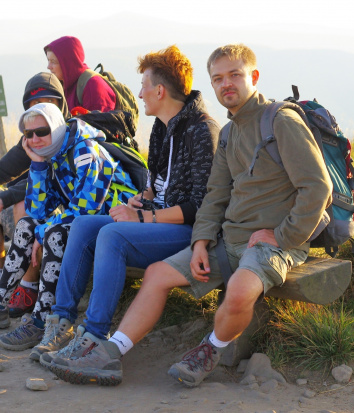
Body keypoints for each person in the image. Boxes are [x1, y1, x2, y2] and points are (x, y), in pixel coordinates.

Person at [49, 44, 333, 387]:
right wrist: (200, 243)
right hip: (228, 240)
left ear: (253, 77)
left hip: (274, 242)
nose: (226, 84)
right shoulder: (229, 133)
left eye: (234, 75)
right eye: (218, 78)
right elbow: (214, 197)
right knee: (156, 274)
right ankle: (109, 354)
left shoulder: (280, 121)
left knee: (241, 289)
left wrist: (282, 235)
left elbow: (317, 188)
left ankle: (209, 350)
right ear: (211, 84)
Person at [31, 44, 219, 378]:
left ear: (160, 90)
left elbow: (200, 207)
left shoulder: (201, 130)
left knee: (112, 234)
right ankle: (60, 323)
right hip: (158, 221)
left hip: (190, 233)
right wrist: (138, 199)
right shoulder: (163, 126)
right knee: (86, 225)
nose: (140, 93)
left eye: (144, 85)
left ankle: (94, 337)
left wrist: (145, 217)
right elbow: (157, 184)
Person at [0, 103, 139, 352]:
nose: (34, 138)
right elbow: (37, 211)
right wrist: (38, 165)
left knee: (52, 234)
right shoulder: (53, 156)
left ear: (56, 128)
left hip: (117, 224)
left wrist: (42, 233)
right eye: (28, 134)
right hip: (89, 224)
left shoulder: (85, 151)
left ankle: (41, 320)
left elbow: (86, 211)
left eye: (41, 131)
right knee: (26, 225)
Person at [0, 72, 69, 318]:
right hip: (45, 213)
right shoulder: (33, 135)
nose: (42, 109)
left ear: (61, 104)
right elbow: (2, 169)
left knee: (23, 206)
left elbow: (45, 184)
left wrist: (3, 200)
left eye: (49, 102)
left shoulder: (68, 138)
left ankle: (28, 287)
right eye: (34, 105)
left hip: (69, 217)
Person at [45, 36, 116, 113]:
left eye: (53, 62)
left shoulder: (93, 86)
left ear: (68, 63)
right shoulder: (64, 85)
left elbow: (102, 123)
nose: (48, 67)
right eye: (48, 60)